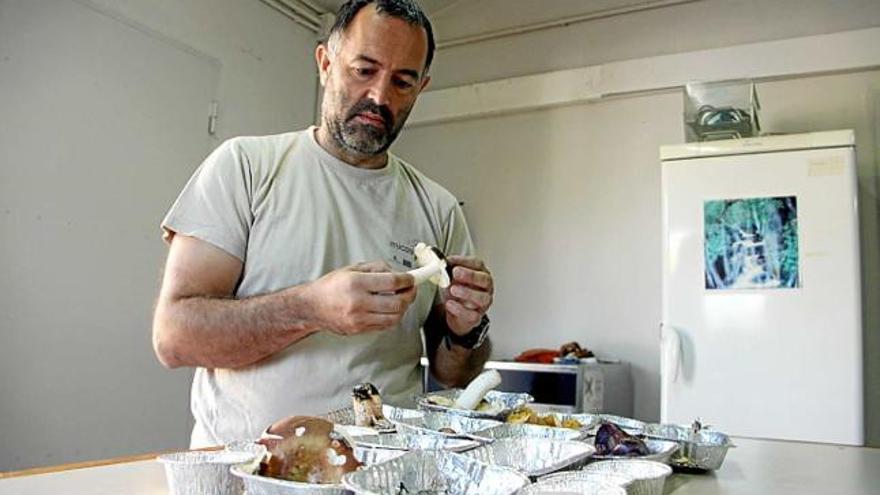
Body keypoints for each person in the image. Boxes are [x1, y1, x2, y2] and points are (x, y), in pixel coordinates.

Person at [151, 0, 494, 447]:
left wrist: (467, 331)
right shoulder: (245, 168)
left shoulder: (438, 206)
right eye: (363, 70)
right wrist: (310, 308)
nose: (379, 97)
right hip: (245, 470)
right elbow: (174, 338)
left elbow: (453, 373)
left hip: (385, 470)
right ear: (325, 62)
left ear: (421, 87)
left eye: (402, 81)